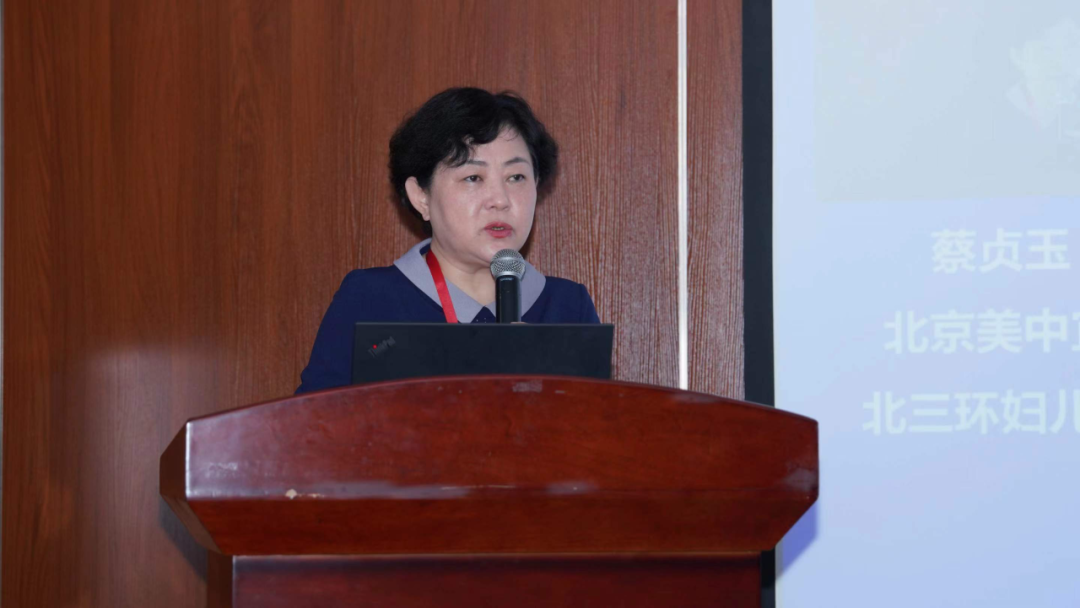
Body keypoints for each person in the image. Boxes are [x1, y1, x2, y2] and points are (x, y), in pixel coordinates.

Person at [296, 87, 600, 393]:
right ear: (421, 196)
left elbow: (599, 421)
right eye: (473, 178)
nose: (500, 200)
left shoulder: (567, 309)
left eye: (516, 177)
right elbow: (311, 419)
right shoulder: (370, 300)